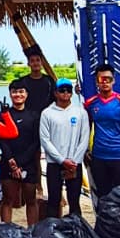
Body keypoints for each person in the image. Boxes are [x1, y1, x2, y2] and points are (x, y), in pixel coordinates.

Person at [83, 65, 120, 197]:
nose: (105, 82)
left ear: (114, 80)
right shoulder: (90, 103)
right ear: (97, 81)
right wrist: (85, 150)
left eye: (108, 79)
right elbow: (84, 129)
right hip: (99, 156)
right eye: (101, 79)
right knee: (103, 196)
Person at [39, 79, 91, 218]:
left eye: (68, 90)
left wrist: (74, 161)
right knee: (54, 200)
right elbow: (45, 140)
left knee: (74, 201)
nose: (66, 93)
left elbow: (84, 138)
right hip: (54, 164)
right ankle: (53, 231)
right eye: (62, 90)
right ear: (56, 93)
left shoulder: (80, 112)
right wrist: (62, 160)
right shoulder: (47, 113)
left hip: (74, 164)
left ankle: (77, 231)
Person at [0, 79, 43, 227]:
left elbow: (36, 141)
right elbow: (2, 140)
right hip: (8, 162)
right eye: (14, 92)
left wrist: (21, 163)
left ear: (26, 94)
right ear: (10, 94)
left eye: (21, 92)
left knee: (31, 200)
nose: (18, 95)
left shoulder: (34, 115)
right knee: (7, 200)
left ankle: (32, 232)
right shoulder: (4, 114)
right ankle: (6, 232)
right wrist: (11, 161)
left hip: (28, 164)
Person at [13, 46, 54, 116]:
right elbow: (17, 101)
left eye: (38, 60)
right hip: (27, 117)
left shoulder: (49, 81)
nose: (35, 63)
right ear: (28, 64)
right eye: (32, 61)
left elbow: (57, 99)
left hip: (46, 117)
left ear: (41, 63)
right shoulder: (22, 81)